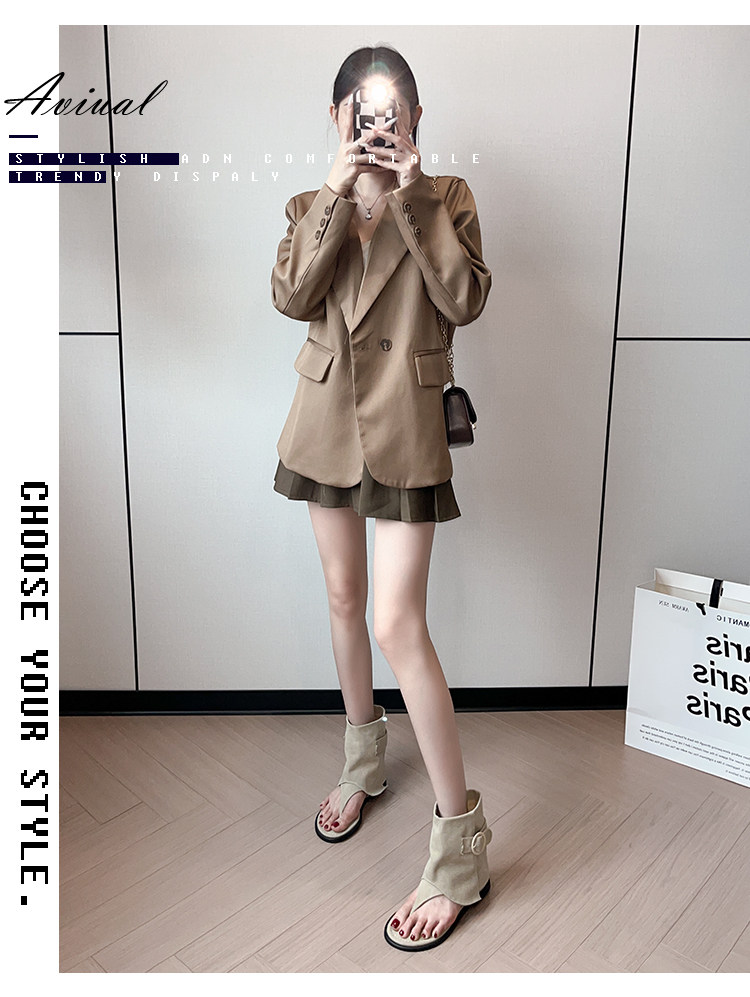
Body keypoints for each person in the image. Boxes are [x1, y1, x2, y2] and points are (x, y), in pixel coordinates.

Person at [270, 46, 493, 952]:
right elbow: (291, 295)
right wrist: (339, 185)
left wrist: (409, 192)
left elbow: (466, 299)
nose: (376, 122)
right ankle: (364, 759)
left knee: (399, 623)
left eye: (392, 108)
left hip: (405, 422)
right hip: (326, 419)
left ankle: (461, 851)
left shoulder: (446, 198)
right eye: (360, 110)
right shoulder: (308, 203)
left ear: (414, 117)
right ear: (336, 118)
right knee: (343, 598)